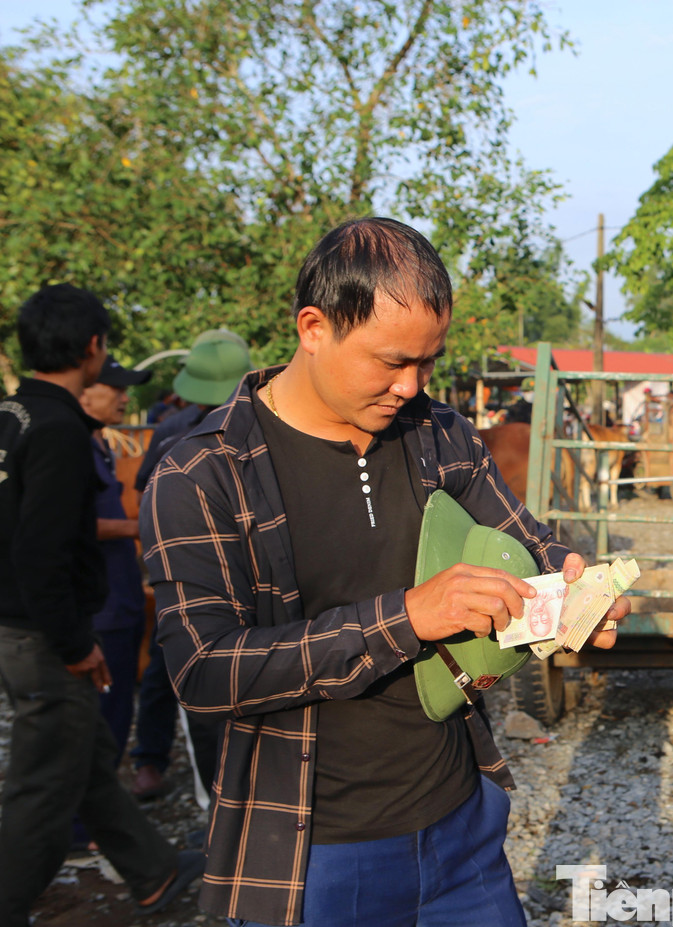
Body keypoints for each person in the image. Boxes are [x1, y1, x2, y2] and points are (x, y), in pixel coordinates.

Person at [140, 217, 629, 927]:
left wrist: (574, 588)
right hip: (317, 855)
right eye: (390, 361)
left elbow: (524, 542)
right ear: (314, 327)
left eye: (427, 362)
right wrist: (407, 617)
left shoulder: (438, 434)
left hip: (463, 824)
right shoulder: (202, 474)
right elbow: (205, 670)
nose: (410, 385)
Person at [0, 284, 204, 926]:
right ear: (93, 348)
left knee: (84, 756)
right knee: (41, 787)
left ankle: (154, 871)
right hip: (42, 633)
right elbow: (44, 552)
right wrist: (73, 643)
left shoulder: (11, 416)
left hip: (16, 626)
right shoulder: (59, 429)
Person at [130, 329, 255, 800]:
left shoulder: (170, 431)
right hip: (235, 574)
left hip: (183, 574)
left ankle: (153, 761)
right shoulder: (255, 428)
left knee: (173, 667)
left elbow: (145, 492)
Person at [78, 357, 153, 761]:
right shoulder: (69, 447)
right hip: (101, 613)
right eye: (117, 389)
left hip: (121, 603)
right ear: (85, 391)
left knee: (117, 720)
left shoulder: (99, 442)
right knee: (98, 730)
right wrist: (140, 526)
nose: (126, 398)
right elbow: (66, 524)